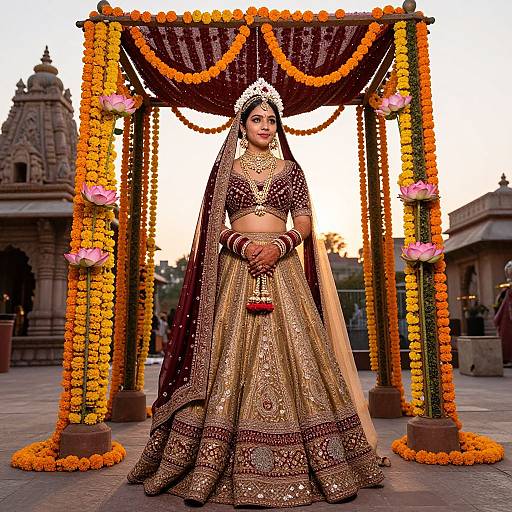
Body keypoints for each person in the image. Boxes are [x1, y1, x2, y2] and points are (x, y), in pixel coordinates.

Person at [128, 79, 383, 507]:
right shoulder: (226, 170)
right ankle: (211, 461)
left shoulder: (291, 171)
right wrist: (245, 245)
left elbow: (303, 220)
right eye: (257, 119)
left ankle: (324, 461)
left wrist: (280, 244)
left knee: (300, 354)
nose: (265, 126)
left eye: (271, 120)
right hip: (236, 270)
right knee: (226, 353)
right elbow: (212, 227)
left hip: (282, 270)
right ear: (241, 125)